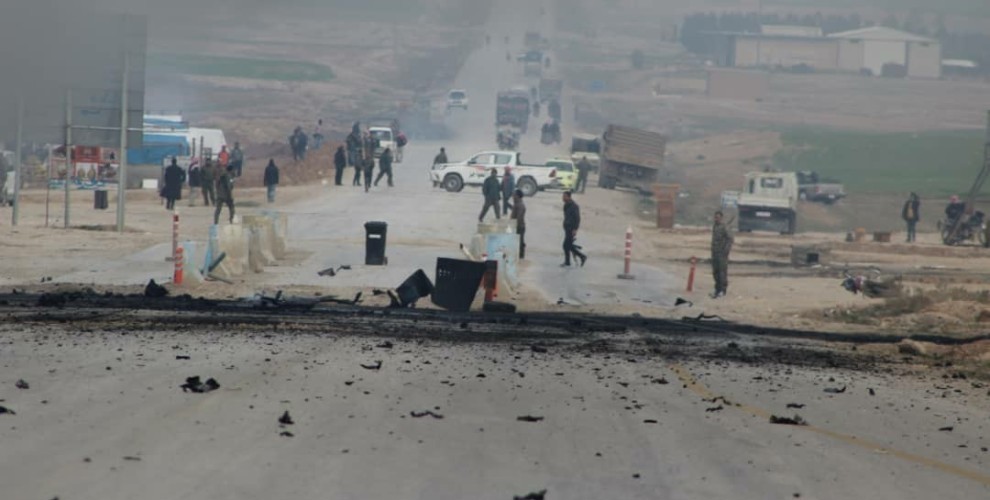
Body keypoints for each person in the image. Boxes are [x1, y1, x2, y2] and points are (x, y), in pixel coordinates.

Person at [710, 210, 734, 299]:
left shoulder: (725, 227)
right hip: (715, 253)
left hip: (722, 254)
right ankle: (717, 290)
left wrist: (725, 251)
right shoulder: (715, 227)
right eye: (715, 217)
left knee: (722, 273)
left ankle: (722, 291)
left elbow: (730, 239)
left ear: (721, 218)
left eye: (718, 217)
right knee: (715, 272)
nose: (716, 219)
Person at [562, 191, 586, 267]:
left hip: (571, 229)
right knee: (568, 245)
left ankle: (579, 257)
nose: (563, 198)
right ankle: (580, 257)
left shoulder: (574, 206)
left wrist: (575, 229)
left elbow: (577, 218)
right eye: (563, 196)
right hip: (567, 228)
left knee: (566, 245)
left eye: (565, 196)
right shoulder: (566, 205)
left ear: (569, 197)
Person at [511, 189, 526, 259]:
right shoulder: (516, 204)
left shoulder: (520, 205)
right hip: (516, 225)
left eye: (514, 195)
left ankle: (521, 255)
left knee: (520, 241)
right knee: (518, 240)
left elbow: (519, 217)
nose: (512, 196)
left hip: (519, 226)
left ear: (518, 196)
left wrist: (514, 225)